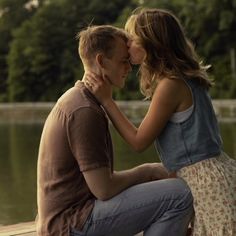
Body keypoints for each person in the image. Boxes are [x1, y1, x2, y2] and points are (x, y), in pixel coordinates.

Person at [84, 8, 236, 236]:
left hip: (207, 186)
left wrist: (107, 101)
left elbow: (138, 141)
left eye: (132, 40)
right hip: (215, 176)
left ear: (151, 43)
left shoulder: (170, 85)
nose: (127, 45)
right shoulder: (186, 77)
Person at [36, 25, 194, 236]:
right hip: (70, 225)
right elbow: (104, 189)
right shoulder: (84, 110)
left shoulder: (79, 99)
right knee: (180, 194)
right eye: (123, 61)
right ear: (101, 61)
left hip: (72, 217)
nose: (129, 67)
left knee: (164, 192)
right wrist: (147, 171)